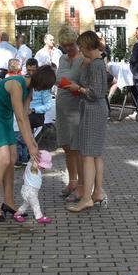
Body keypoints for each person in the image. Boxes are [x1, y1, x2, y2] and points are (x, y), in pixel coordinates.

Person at [0, 53, 55, 222]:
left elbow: (25, 117)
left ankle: (9, 201)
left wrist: (33, 142)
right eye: (45, 87)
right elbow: (20, 118)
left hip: (4, 119)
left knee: (12, 158)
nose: (44, 90)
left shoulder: (29, 89)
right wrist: (30, 146)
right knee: (4, 159)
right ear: (41, 83)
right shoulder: (16, 84)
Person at [64, 30, 109, 213]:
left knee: (88, 155)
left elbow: (95, 93)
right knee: (96, 154)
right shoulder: (95, 63)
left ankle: (86, 198)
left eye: (81, 46)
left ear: (88, 46)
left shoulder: (97, 65)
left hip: (93, 110)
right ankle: (97, 192)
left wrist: (79, 89)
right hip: (94, 110)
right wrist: (84, 67)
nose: (80, 50)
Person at [53, 26, 84, 202]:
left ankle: (81, 184)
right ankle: (71, 181)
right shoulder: (62, 58)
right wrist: (64, 82)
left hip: (76, 105)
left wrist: (72, 85)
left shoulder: (83, 60)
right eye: (65, 45)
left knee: (76, 146)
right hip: (62, 104)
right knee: (66, 145)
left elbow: (84, 82)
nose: (69, 48)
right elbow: (58, 78)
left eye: (71, 45)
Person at [16, 58, 52, 165]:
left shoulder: (42, 84)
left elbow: (48, 105)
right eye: (29, 70)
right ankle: (22, 154)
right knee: (17, 121)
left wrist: (34, 109)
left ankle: (25, 154)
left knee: (25, 122)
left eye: (33, 71)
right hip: (24, 111)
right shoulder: (24, 81)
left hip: (36, 114)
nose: (31, 73)